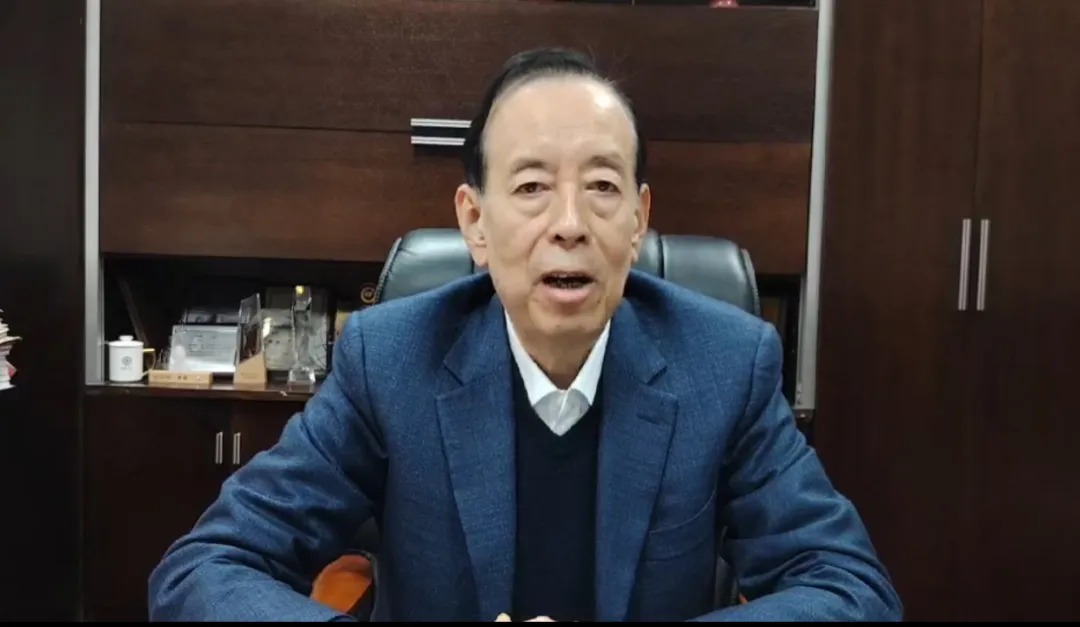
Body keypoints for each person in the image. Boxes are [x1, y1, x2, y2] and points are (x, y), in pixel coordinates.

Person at [147, 47, 902, 622]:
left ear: (637, 221)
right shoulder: (391, 361)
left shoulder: (724, 365)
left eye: (601, 187)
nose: (569, 224)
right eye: (533, 187)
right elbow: (204, 569)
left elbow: (852, 588)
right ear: (475, 222)